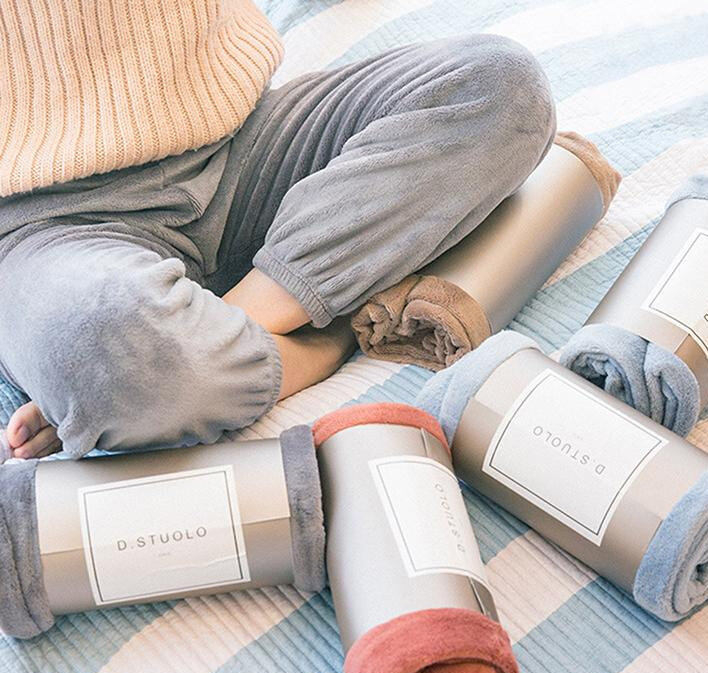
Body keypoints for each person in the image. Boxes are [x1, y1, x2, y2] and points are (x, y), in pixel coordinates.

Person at [0, 0, 555, 460]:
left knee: (500, 81)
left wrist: (135, 377)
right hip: (46, 224)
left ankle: (223, 332)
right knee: (98, 343)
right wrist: (112, 367)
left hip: (241, 140)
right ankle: (323, 339)